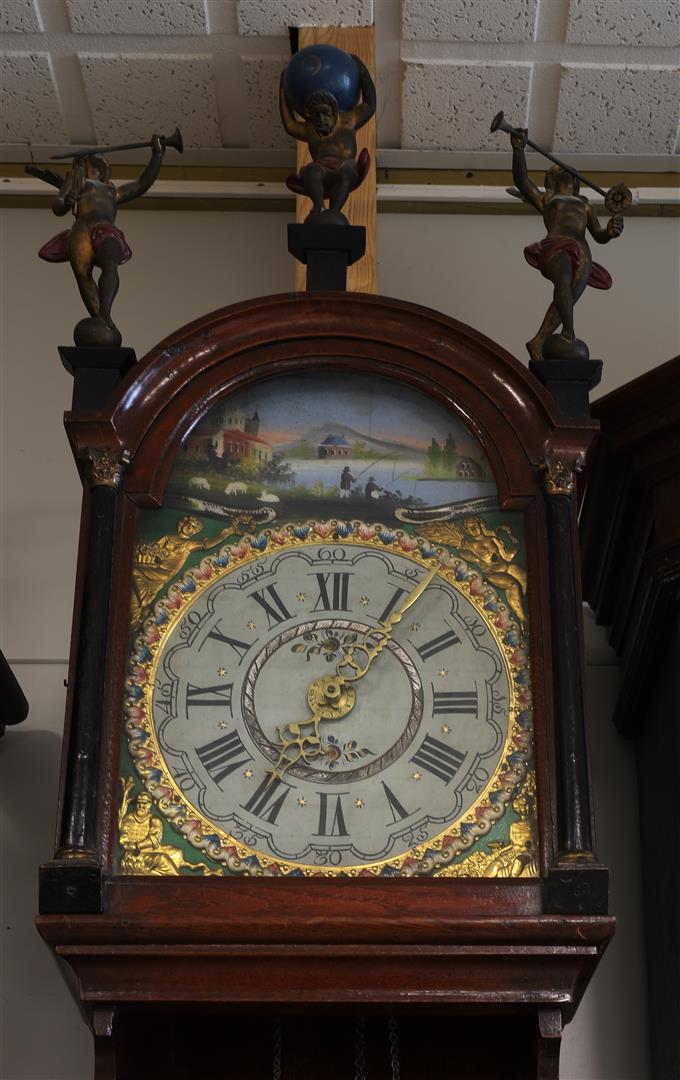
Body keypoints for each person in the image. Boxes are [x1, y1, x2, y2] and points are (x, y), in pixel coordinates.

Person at [27, 135, 166, 344]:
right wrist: (66, 201)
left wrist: (157, 155)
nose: (101, 159)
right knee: (83, 275)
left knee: (110, 264)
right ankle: (100, 316)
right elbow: (58, 206)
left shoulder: (112, 190)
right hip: (81, 230)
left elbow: (141, 184)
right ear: (84, 161)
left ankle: (105, 314)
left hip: (106, 230)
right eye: (97, 156)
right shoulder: (75, 181)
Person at [510, 127, 624, 362]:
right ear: (551, 178)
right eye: (558, 166)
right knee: (562, 282)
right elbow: (522, 181)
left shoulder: (585, 205)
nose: (564, 168)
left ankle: (539, 340)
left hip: (583, 252)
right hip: (556, 246)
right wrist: (518, 150)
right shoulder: (548, 199)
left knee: (569, 296)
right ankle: (569, 334)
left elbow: (598, 235)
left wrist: (611, 232)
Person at [279, 56, 376, 223]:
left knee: (348, 169)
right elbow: (289, 124)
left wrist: (362, 72)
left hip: (344, 166)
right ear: (310, 116)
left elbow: (369, 105)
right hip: (322, 168)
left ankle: (335, 211)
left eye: (326, 113)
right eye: (316, 115)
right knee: (312, 170)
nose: (322, 119)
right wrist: (282, 89)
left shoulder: (348, 121)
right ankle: (318, 207)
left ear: (334, 112)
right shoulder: (310, 129)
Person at [130, 515, 233, 627]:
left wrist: (227, 532)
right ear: (183, 523)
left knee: (134, 571)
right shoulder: (168, 537)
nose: (190, 527)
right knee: (133, 596)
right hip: (152, 568)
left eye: (194, 527)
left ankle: (146, 599)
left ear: (195, 531)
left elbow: (206, 544)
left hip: (163, 573)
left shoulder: (187, 544)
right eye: (189, 523)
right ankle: (137, 615)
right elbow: (153, 549)